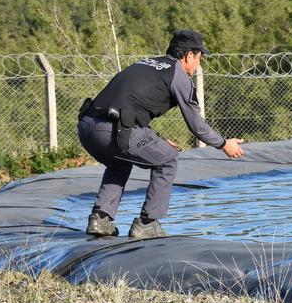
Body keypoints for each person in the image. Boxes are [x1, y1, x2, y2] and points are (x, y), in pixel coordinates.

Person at [77, 30, 245, 239]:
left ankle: (100, 219)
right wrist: (223, 144)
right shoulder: (179, 76)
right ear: (189, 56)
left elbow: (129, 104)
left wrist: (150, 136)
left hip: (86, 126)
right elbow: (197, 126)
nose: (198, 65)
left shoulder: (145, 63)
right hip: (113, 130)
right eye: (199, 58)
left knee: (119, 162)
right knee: (167, 160)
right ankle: (147, 223)